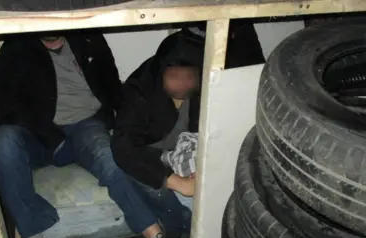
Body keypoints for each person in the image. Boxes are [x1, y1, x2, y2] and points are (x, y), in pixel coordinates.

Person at [0, 30, 188, 238]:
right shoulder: (15, 48)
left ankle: (155, 236)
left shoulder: (88, 38)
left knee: (110, 158)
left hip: (87, 124)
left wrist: (124, 125)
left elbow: (112, 83)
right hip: (38, 133)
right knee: (2, 140)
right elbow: (8, 108)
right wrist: (53, 140)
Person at [112, 21, 265, 198]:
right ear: (161, 73)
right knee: (147, 185)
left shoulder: (207, 86)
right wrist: (177, 182)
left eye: (190, 77)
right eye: (174, 77)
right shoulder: (141, 88)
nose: (183, 84)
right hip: (151, 154)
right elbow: (123, 145)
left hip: (189, 152)